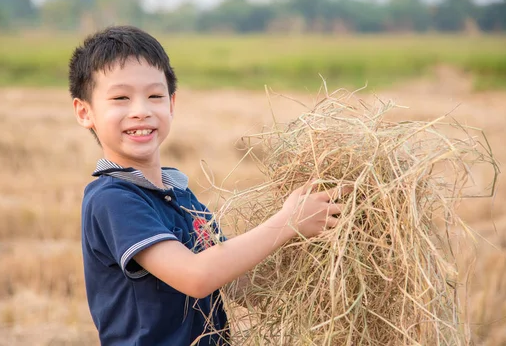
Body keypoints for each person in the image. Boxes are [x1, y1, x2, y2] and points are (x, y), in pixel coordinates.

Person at [69, 25, 347, 346]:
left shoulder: (181, 197)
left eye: (155, 96)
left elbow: (238, 284)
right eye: (120, 98)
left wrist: (313, 251)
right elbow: (196, 276)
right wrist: (288, 221)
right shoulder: (113, 199)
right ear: (84, 112)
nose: (141, 111)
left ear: (172, 103)